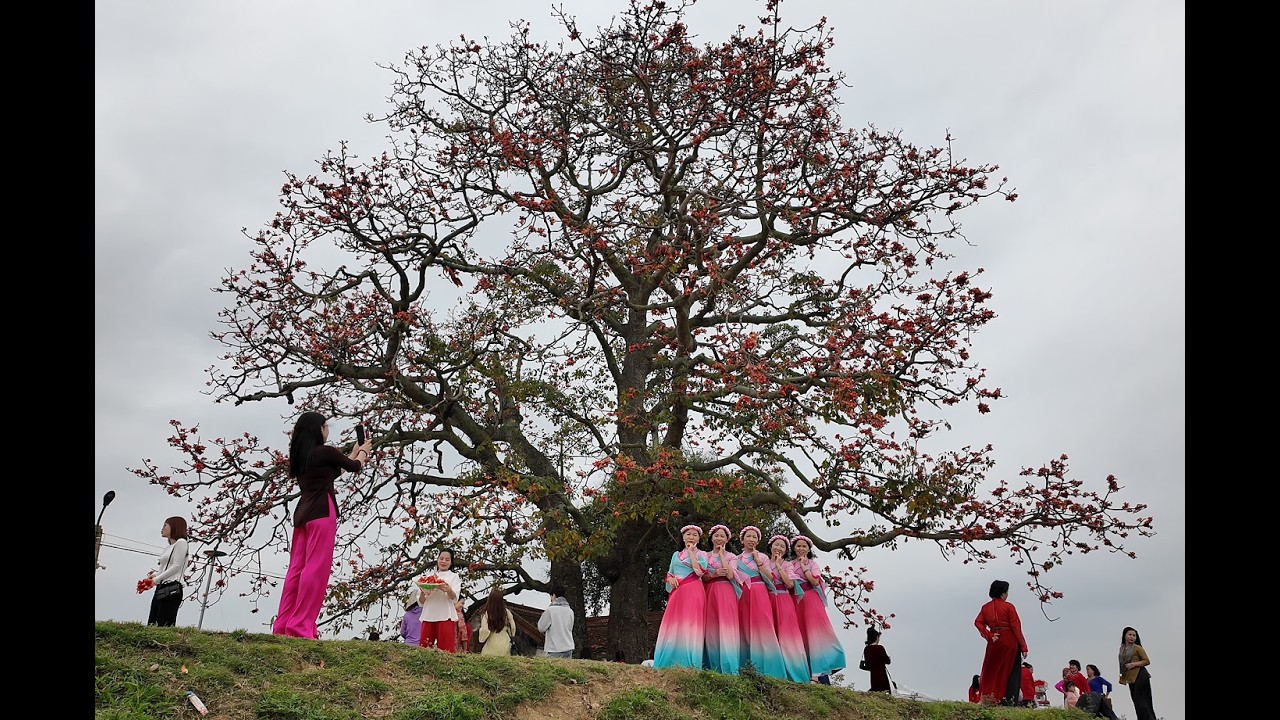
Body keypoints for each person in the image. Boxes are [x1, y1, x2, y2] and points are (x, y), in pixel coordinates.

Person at [272, 411, 370, 639]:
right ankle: (301, 625)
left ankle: (284, 623)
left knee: (296, 569)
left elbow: (335, 471)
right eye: (326, 427)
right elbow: (355, 466)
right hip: (322, 512)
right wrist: (363, 451)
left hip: (303, 515)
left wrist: (355, 454)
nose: (327, 431)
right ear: (318, 429)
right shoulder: (325, 452)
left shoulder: (301, 457)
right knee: (315, 569)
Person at [787, 535, 847, 683]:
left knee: (815, 636)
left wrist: (804, 567)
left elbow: (814, 581)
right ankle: (804, 671)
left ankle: (817, 674)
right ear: (794, 548)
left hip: (811, 600)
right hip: (796, 601)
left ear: (809, 549)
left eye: (804, 546)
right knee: (801, 635)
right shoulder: (789, 564)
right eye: (798, 546)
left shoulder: (813, 564)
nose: (801, 549)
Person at [734, 526, 787, 679]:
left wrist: (759, 563)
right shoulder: (736, 559)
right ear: (742, 539)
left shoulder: (762, 557)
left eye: (754, 537)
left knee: (763, 627)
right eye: (748, 536)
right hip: (743, 593)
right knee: (744, 627)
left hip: (759, 592)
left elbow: (771, 578)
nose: (751, 539)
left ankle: (770, 669)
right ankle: (745, 667)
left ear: (758, 540)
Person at [653, 524, 709, 670]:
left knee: (691, 625)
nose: (691, 537)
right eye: (688, 534)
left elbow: (700, 572)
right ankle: (668, 660)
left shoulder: (702, 554)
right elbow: (670, 573)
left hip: (694, 590)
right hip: (678, 592)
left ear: (699, 538)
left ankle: (690, 663)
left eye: (695, 535)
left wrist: (691, 553)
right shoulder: (675, 555)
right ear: (683, 537)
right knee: (672, 624)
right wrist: (669, 579)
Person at [973, 579, 1028, 706]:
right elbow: (1016, 627)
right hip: (1009, 640)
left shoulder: (985, 607)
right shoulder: (1009, 607)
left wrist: (989, 635)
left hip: (994, 641)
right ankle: (1009, 699)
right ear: (1003, 593)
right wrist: (1023, 646)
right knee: (1011, 670)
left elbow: (977, 622)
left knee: (992, 670)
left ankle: (990, 697)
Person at [765, 534, 810, 683]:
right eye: (776, 545)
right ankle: (775, 672)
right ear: (771, 546)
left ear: (785, 551)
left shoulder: (787, 565)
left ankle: (796, 674)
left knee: (788, 637)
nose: (778, 548)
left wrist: (778, 566)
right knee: (770, 636)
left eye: (782, 546)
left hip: (783, 599)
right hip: (767, 599)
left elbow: (790, 585)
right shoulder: (763, 562)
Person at [701, 523, 744, 675]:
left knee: (727, 628)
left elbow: (731, 575)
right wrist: (714, 574)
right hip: (709, 591)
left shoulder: (731, 556)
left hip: (726, 591)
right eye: (716, 535)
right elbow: (703, 576)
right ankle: (712, 668)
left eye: (722, 536)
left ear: (727, 539)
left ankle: (730, 669)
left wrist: (721, 555)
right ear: (711, 538)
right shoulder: (704, 556)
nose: (719, 538)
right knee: (711, 630)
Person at [146, 516, 190, 626]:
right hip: (161, 586)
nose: (162, 528)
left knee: (164, 622)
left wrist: (156, 579)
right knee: (153, 621)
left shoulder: (181, 542)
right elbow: (163, 568)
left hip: (172, 587)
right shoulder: (168, 548)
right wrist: (154, 575)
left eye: (165, 525)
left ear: (174, 527)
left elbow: (176, 566)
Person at [417, 548, 462, 651]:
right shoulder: (428, 578)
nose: (443, 562)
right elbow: (421, 602)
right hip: (428, 614)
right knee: (424, 649)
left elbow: (454, 598)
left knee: (446, 650)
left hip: (445, 615)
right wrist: (423, 592)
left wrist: (448, 590)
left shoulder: (454, 577)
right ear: (437, 560)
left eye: (447, 559)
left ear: (451, 562)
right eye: (441, 558)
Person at [1117, 626, 1157, 720]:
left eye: (1134, 635)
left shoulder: (1137, 648)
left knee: (1143, 702)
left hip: (1140, 675)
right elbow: (1122, 663)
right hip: (1131, 678)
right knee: (1136, 701)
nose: (1132, 637)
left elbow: (1146, 661)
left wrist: (1133, 664)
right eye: (1130, 635)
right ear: (1125, 636)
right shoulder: (1122, 648)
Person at [537, 584, 575, 658]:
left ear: (553, 595)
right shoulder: (570, 611)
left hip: (554, 649)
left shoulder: (550, 610)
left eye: (550, 596)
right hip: (568, 648)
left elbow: (541, 628)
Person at [478, 587, 516, 656]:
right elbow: (513, 627)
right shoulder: (507, 612)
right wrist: (512, 635)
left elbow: (485, 630)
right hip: (505, 640)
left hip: (492, 641)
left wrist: (481, 639)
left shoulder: (487, 613)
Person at [862, 627, 892, 692]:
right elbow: (887, 661)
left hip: (873, 675)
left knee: (875, 690)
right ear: (876, 638)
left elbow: (867, 663)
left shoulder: (866, 649)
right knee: (885, 691)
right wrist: (888, 658)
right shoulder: (880, 648)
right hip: (882, 674)